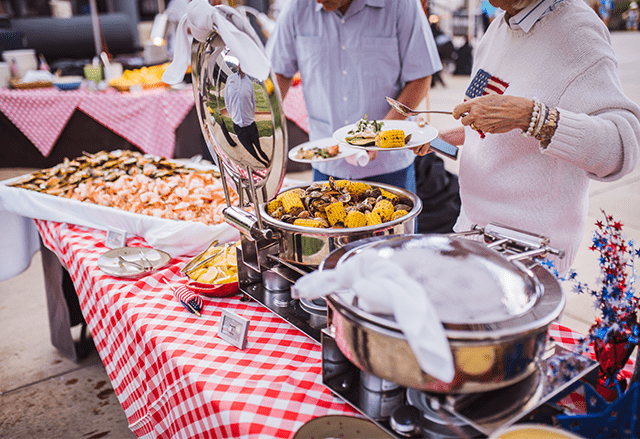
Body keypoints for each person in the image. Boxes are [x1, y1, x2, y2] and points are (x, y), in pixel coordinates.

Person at [418, 0, 640, 272]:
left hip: (527, 251)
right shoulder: (501, 24)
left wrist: (532, 117)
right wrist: (444, 137)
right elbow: (498, 121)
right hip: (473, 229)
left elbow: (622, 148)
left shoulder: (577, 32)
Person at [266, 0, 442, 193]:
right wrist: (263, 126)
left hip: (388, 167)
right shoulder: (297, 7)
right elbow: (278, 74)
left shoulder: (401, 4)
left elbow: (420, 76)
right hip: (326, 164)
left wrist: (379, 135)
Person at [224, 66, 271, 168]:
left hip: (250, 124)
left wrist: (250, 115)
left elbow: (252, 101)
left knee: (258, 147)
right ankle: (261, 162)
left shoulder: (249, 82)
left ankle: (267, 161)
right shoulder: (230, 79)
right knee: (250, 149)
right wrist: (234, 115)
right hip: (238, 125)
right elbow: (227, 100)